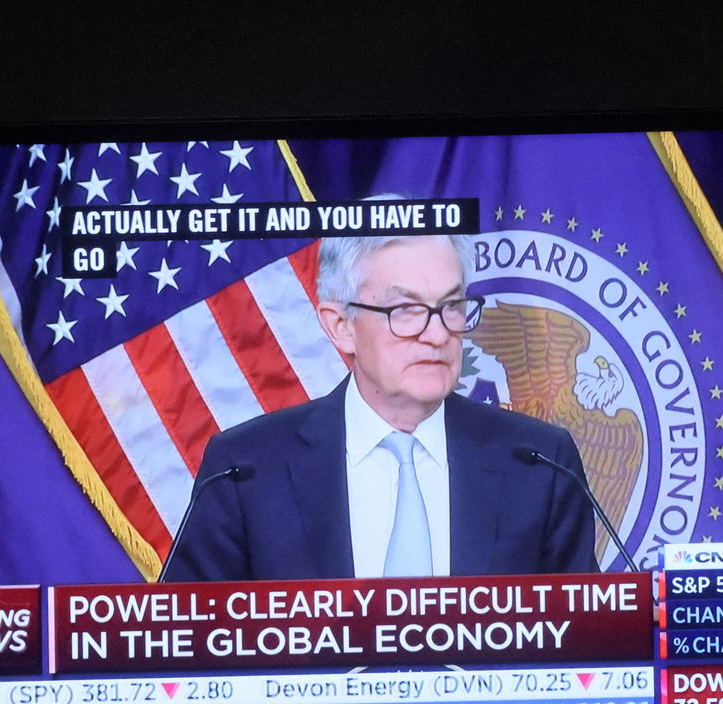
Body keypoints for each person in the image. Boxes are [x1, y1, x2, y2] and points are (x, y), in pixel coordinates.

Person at [161, 225, 598, 583]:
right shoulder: (246, 469)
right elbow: (190, 640)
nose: (437, 334)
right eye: (405, 309)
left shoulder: (539, 463)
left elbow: (587, 639)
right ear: (341, 326)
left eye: (451, 306)